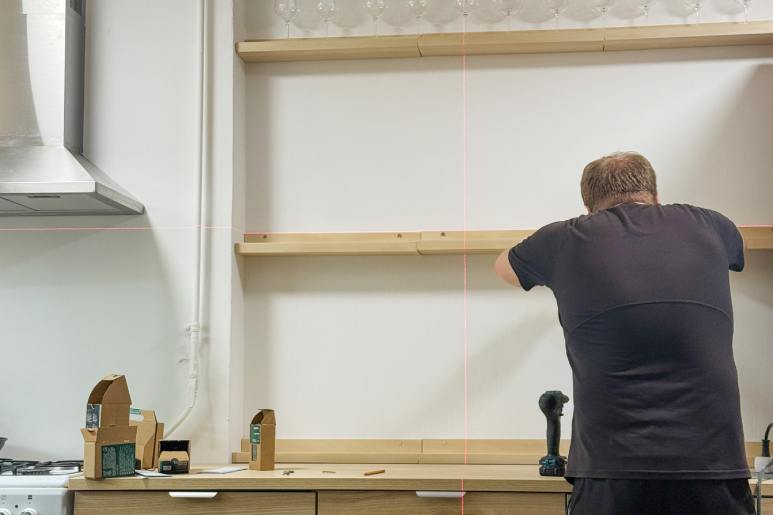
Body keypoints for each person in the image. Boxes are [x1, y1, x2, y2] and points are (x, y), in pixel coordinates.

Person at [494, 152, 755, 515]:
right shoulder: (713, 225)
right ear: (655, 195)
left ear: (589, 207)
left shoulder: (566, 238)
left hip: (611, 474)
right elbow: (737, 251)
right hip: (712, 469)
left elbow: (503, 267)